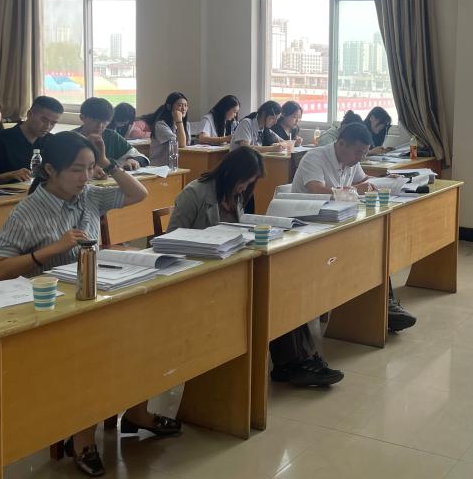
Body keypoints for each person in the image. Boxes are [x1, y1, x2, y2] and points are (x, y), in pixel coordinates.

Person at [0, 131, 179, 477]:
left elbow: (138, 193)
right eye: (77, 170)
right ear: (50, 170)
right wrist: (51, 249)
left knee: (144, 335)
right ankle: (82, 439)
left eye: (91, 168)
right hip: (51, 310)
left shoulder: (90, 195)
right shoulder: (28, 211)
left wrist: (109, 163)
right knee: (95, 353)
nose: (86, 176)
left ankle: (137, 412)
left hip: (93, 296)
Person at [167, 147, 344, 387]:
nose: (245, 187)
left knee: (283, 289)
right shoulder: (194, 193)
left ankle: (298, 360)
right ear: (230, 173)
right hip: (202, 274)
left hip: (234, 268)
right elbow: (169, 240)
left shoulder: (236, 195)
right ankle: (293, 363)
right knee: (269, 296)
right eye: (244, 181)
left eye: (250, 182)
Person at [292, 122, 417, 332]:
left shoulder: (350, 160)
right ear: (341, 143)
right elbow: (318, 191)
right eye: (359, 152)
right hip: (309, 225)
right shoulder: (315, 157)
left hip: (337, 221)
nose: (361, 157)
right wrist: (356, 189)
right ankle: (383, 307)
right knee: (365, 246)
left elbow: (364, 179)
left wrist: (386, 179)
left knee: (376, 242)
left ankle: (385, 305)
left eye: (365, 152)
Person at [0, 95, 63, 185]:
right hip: (7, 191)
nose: (48, 126)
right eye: (44, 120)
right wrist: (10, 175)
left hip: (39, 191)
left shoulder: (52, 141)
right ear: (29, 114)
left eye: (53, 123)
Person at [76, 97, 149, 175]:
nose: (100, 126)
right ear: (82, 117)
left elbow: (142, 158)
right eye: (95, 121)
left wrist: (133, 160)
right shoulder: (71, 138)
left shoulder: (111, 136)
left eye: (105, 122)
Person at [148, 92, 190, 166]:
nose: (184, 109)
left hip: (175, 165)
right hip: (159, 167)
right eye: (180, 105)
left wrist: (180, 123)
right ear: (169, 106)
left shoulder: (186, 124)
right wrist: (179, 121)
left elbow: (186, 145)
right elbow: (181, 144)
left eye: (186, 105)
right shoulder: (161, 125)